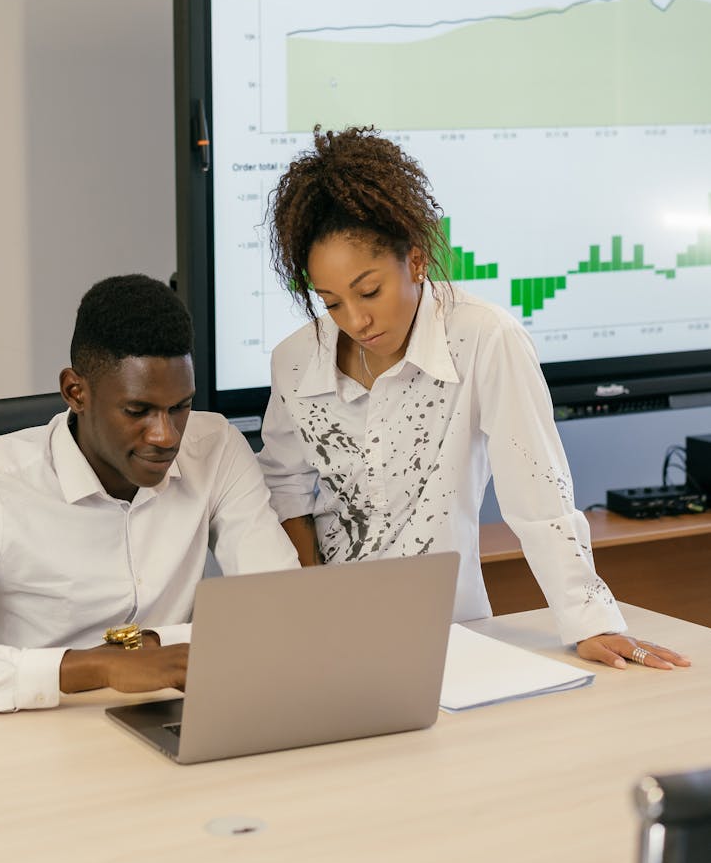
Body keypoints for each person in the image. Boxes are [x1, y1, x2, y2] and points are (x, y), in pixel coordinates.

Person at [259, 126, 690, 672]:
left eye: (369, 291)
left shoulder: (485, 338)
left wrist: (592, 620)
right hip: (323, 636)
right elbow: (283, 485)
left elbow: (537, 488)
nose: (356, 320)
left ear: (415, 261)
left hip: (447, 637)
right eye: (332, 302)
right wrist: (311, 605)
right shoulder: (295, 359)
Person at [0, 274, 299, 713]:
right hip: (23, 731)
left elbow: (284, 609)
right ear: (75, 392)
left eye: (180, 407)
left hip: (161, 714)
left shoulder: (216, 448)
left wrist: (152, 645)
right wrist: (97, 667)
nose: (166, 435)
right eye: (139, 411)